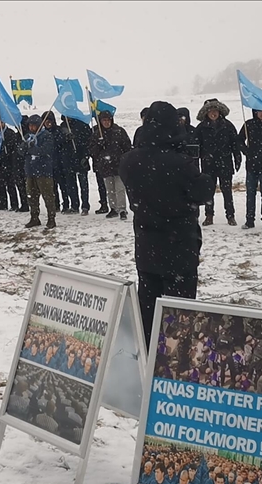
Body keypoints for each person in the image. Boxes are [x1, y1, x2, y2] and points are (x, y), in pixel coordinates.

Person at [119, 101, 215, 349]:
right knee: (180, 314)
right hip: (179, 247)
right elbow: (203, 192)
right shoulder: (179, 164)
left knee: (148, 308)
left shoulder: (129, 161)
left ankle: (147, 354)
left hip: (147, 245)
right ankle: (174, 359)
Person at [194, 99, 242, 226]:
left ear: (220, 112)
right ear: (206, 113)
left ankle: (230, 216)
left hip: (225, 163)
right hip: (208, 164)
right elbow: (196, 147)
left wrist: (237, 159)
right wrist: (196, 163)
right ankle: (209, 215)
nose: (213, 113)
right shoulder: (201, 128)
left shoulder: (228, 126)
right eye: (210, 111)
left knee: (227, 191)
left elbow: (235, 145)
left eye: (215, 111)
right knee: (209, 191)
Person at [89, 110, 132, 220]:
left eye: (108, 120)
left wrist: (125, 160)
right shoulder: (97, 134)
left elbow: (127, 146)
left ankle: (122, 209)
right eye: (104, 120)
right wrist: (99, 145)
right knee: (110, 189)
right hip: (105, 166)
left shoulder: (119, 131)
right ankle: (113, 208)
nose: (106, 122)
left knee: (120, 188)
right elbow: (92, 151)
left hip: (119, 165)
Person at [23, 114, 58, 229]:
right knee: (31, 195)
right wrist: (25, 147)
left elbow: (45, 150)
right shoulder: (27, 136)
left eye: (34, 125)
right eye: (30, 126)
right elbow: (20, 150)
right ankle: (34, 217)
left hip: (43, 171)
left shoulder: (46, 135)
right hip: (30, 171)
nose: (31, 128)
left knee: (48, 195)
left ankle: (51, 218)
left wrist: (32, 149)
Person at [0, 115, 23, 210]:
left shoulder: (10, 133)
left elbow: (11, 149)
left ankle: (14, 204)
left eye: (1, 122)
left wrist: (2, 155)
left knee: (10, 185)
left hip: (7, 163)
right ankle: (2, 202)